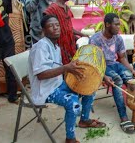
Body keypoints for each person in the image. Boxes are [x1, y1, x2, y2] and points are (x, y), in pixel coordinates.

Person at [29, 15, 106, 143]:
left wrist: (73, 68)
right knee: (73, 103)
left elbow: (60, 69)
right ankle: (70, 139)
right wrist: (66, 68)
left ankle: (84, 120)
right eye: (51, 26)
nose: (55, 28)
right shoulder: (41, 47)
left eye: (57, 25)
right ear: (44, 30)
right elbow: (41, 75)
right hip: (46, 91)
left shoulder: (55, 46)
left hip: (58, 84)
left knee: (89, 86)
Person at [90, 13, 135, 134]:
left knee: (130, 78)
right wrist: (104, 76)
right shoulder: (95, 39)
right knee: (117, 80)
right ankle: (123, 117)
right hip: (100, 66)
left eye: (119, 24)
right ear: (107, 24)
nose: (118, 27)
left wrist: (132, 70)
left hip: (114, 64)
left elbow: (122, 58)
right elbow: (93, 63)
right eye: (116, 25)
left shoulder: (118, 38)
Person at [44, 0, 88, 65]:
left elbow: (68, 28)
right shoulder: (52, 9)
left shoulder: (67, 8)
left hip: (70, 47)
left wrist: (81, 35)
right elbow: (47, 29)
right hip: (59, 49)